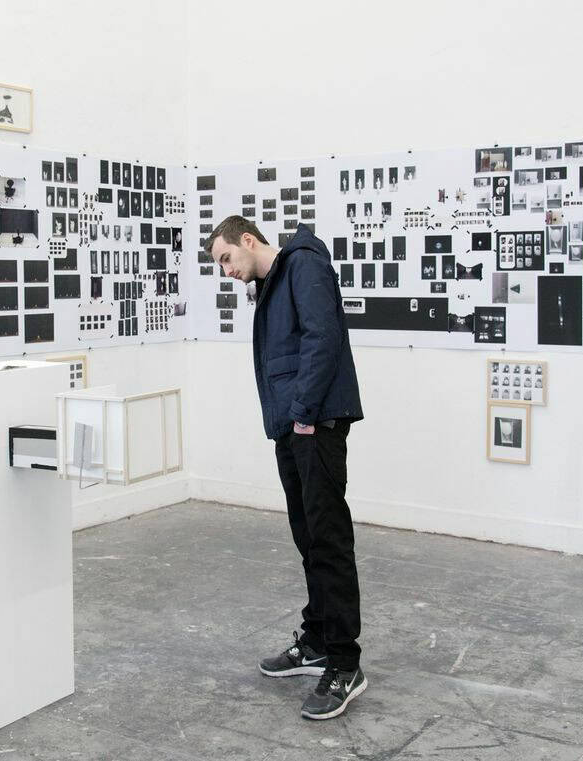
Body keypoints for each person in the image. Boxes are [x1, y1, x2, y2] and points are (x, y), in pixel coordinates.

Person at [205, 215, 366, 721]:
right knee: (308, 537)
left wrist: (301, 414)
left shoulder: (303, 265)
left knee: (328, 539)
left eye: (226, 258)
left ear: (247, 240)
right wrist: (288, 423)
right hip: (293, 427)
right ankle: (317, 638)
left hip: (313, 424)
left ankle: (345, 662)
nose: (227, 271)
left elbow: (323, 339)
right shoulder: (277, 280)